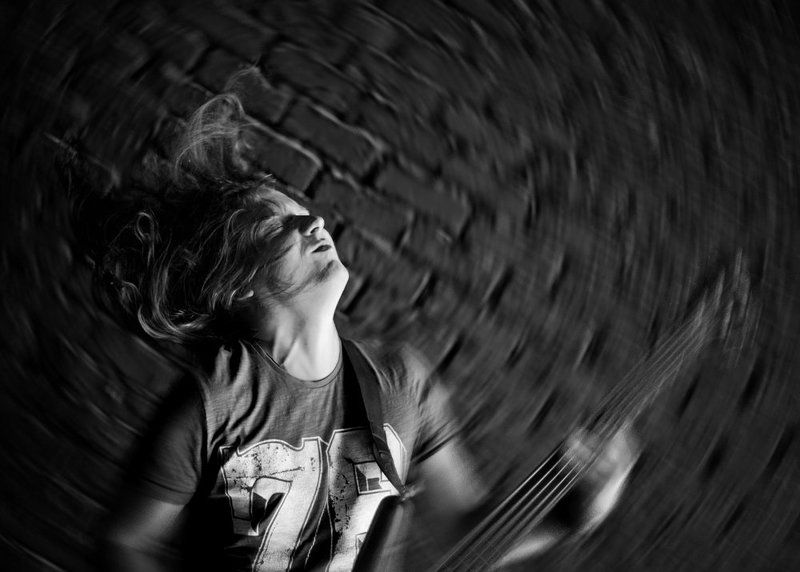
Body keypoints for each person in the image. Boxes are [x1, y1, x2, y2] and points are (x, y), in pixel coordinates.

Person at [99, 93, 638, 571]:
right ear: (237, 284)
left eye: (304, 211)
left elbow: (463, 528)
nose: (314, 223)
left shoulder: (403, 382)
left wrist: (573, 515)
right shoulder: (211, 403)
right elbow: (125, 542)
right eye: (276, 225)